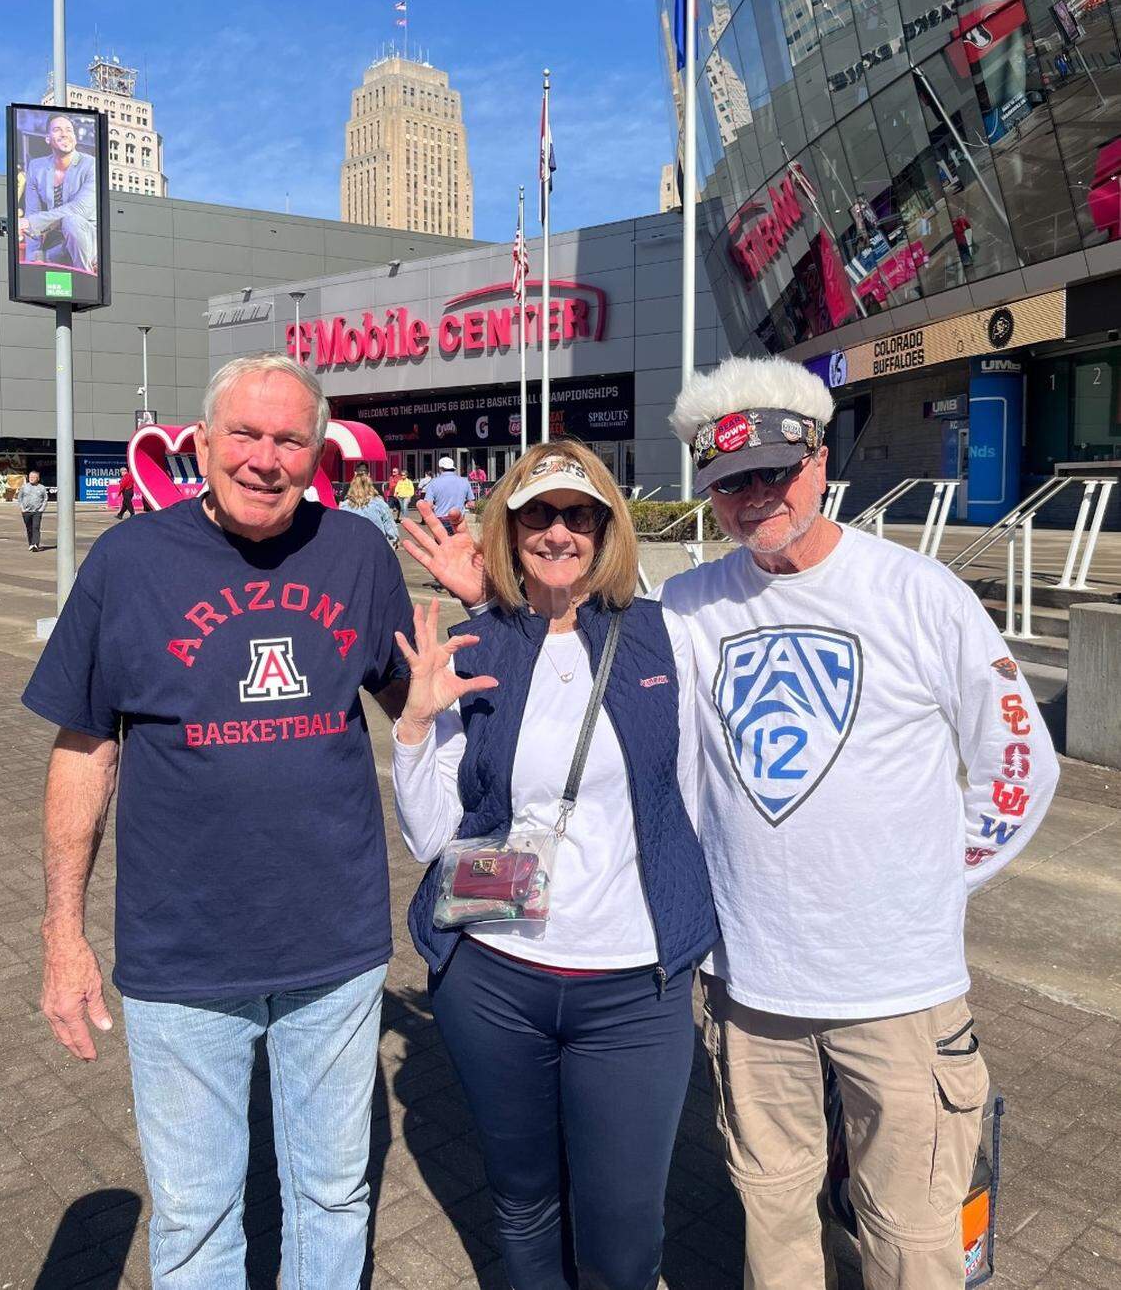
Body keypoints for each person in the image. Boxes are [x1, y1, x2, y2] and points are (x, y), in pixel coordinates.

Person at [407, 356, 1060, 1290]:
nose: (755, 497)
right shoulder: (688, 606)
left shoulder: (919, 591)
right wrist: (486, 599)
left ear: (819, 461)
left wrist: (931, 881)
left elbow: (1020, 762)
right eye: (729, 481)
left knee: (912, 1232)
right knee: (773, 1220)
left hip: (897, 984)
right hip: (750, 983)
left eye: (774, 472)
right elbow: (567, 656)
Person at [22, 352, 414, 1289]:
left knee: (332, 1195)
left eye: (289, 439)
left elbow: (415, 705)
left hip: (336, 945)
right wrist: (62, 935)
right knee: (197, 1217)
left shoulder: (358, 554)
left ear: (317, 453)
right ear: (201, 441)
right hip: (182, 956)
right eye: (245, 433)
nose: (265, 458)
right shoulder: (128, 562)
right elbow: (85, 750)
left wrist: (485, 620)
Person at [393, 443, 718, 1290]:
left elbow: (688, 801)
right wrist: (415, 726)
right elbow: (431, 837)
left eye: (579, 514)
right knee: (525, 1204)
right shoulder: (479, 644)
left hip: (633, 987)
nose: (558, 531)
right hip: (494, 977)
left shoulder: (665, 637)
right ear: (509, 529)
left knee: (624, 1232)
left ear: (606, 527)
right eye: (537, 513)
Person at [19, 113, 97, 273]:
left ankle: (85, 276)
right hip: (57, 246)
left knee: (71, 221)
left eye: (69, 130)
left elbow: (80, 209)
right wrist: (32, 258)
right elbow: (32, 213)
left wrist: (32, 222)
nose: (64, 134)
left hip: (87, 240)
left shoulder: (91, 165)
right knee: (39, 260)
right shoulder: (36, 167)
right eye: (57, 130)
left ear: (75, 138)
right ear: (48, 139)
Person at [341, 468, 399, 547]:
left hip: (353, 547)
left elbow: (341, 532)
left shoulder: (344, 506)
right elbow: (392, 531)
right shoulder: (380, 504)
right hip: (376, 546)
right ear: (370, 485)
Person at [423, 454, 474, 534]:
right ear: (453, 467)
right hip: (458, 520)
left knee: (442, 542)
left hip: (441, 520)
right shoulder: (464, 481)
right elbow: (471, 504)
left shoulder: (434, 482)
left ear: (440, 468)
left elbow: (429, 505)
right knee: (459, 541)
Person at [16, 469, 48, 551]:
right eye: (30, 477)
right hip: (26, 511)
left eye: (34, 477)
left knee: (36, 527)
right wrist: (22, 508)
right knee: (29, 528)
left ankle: (35, 544)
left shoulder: (42, 488)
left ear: (38, 478)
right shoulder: (24, 487)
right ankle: (31, 543)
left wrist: (41, 509)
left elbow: (45, 499)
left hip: (37, 512)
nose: (31, 478)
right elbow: (19, 498)